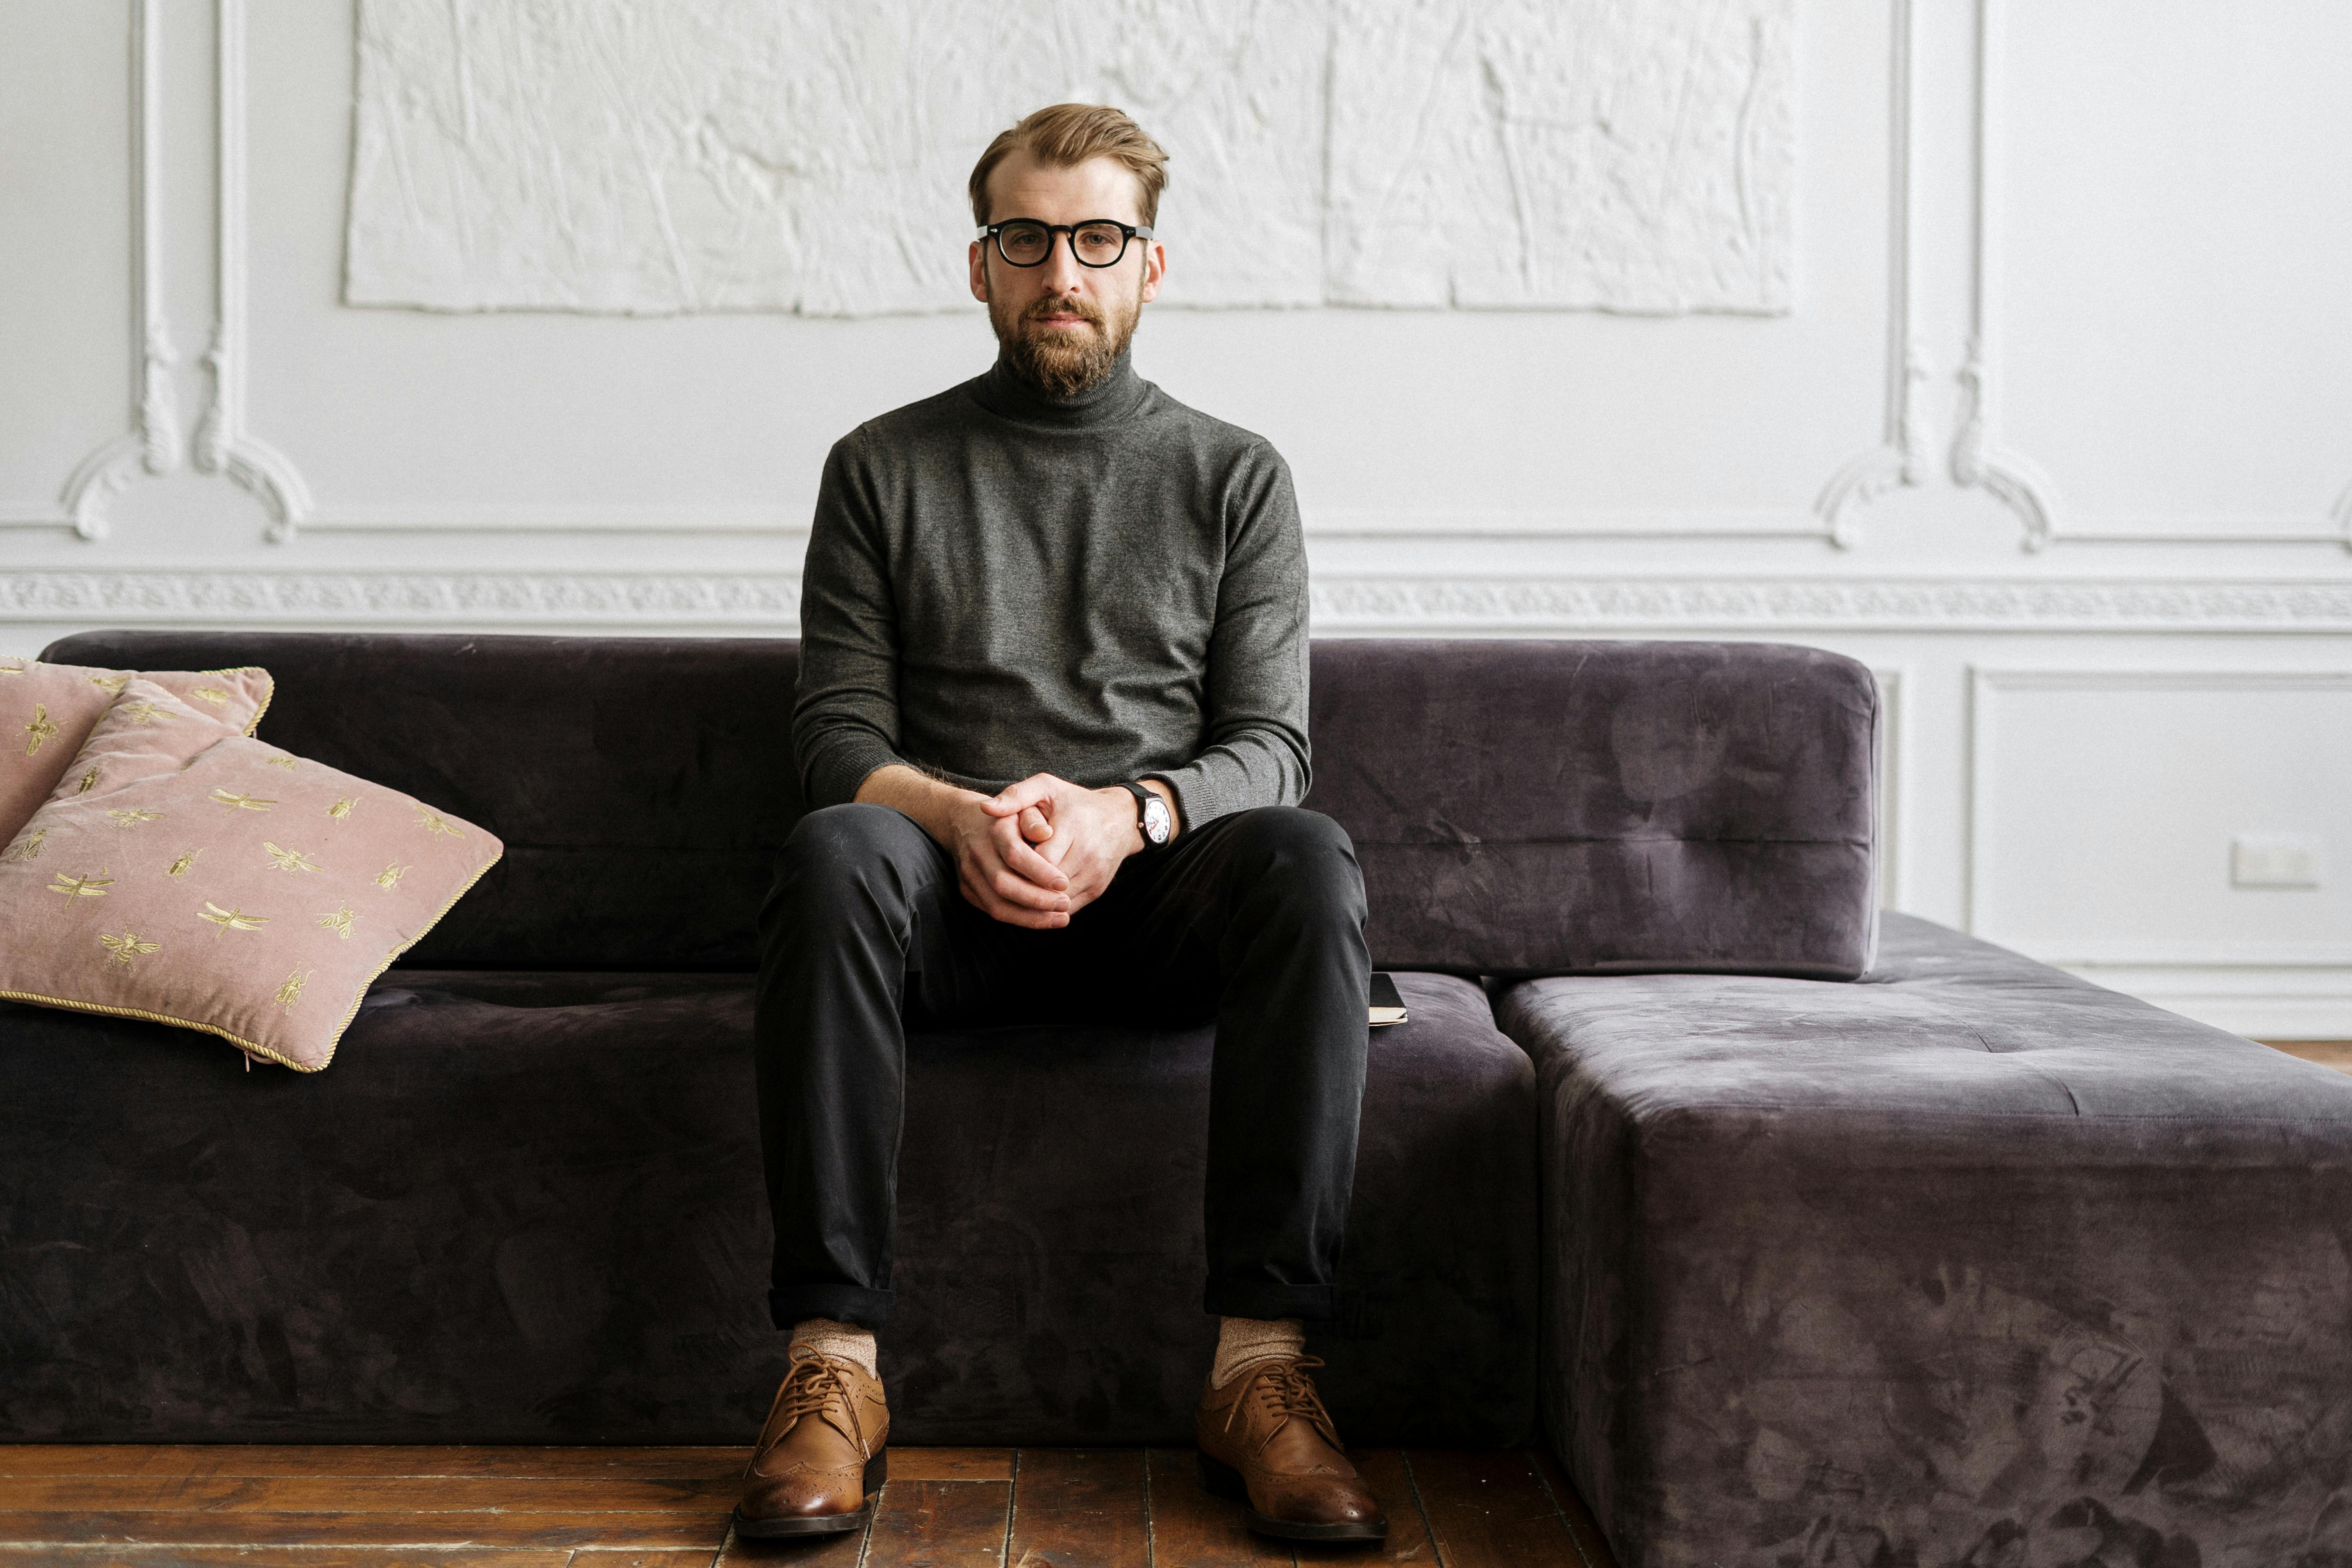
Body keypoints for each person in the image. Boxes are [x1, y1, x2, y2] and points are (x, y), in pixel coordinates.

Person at [732, 103, 1385, 1547]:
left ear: (1154, 267)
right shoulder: (880, 467)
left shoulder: (1236, 476)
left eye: (1099, 240)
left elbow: (1270, 748)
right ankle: (832, 1373)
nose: (1062, 272)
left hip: (1159, 904)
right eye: (1027, 240)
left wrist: (1125, 814)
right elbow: (837, 741)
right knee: (836, 847)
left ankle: (1262, 1375)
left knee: (1307, 854)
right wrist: (959, 816)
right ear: (980, 267)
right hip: (942, 903)